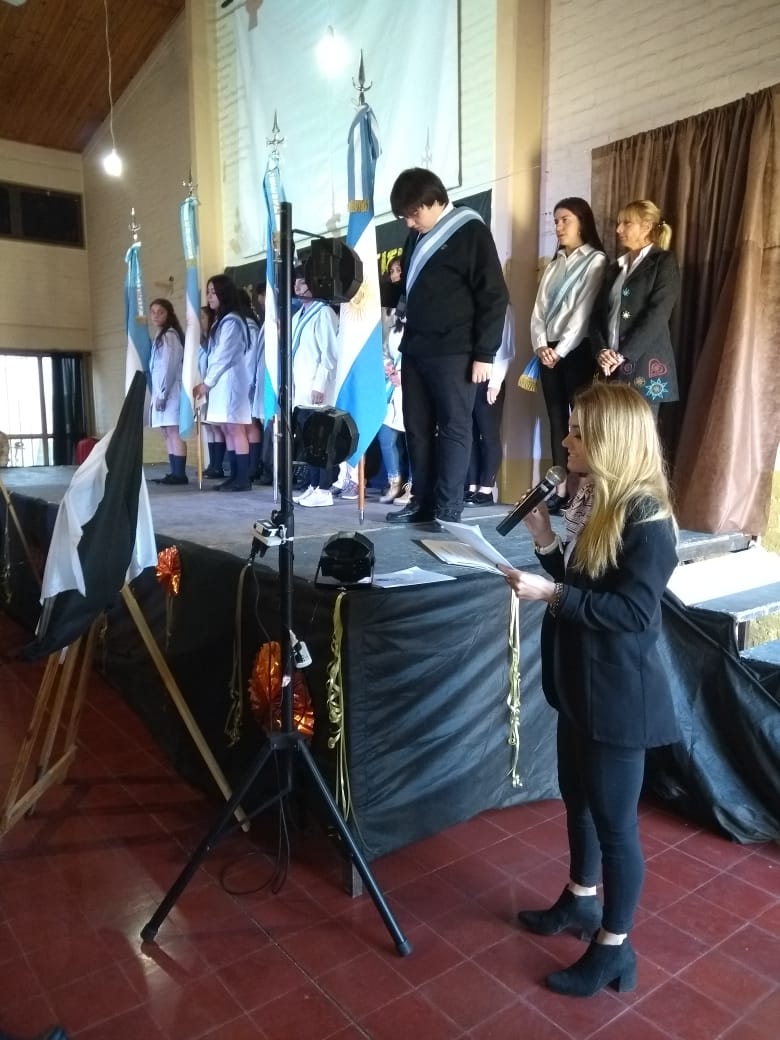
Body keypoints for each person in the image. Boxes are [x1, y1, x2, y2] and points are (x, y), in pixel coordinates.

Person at [498, 381, 679, 998]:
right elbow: (584, 585)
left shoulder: (648, 520)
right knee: (577, 801)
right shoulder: (593, 498)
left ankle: (614, 948)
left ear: (611, 440)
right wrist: (544, 540)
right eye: (571, 428)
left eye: (578, 431)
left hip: (619, 697)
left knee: (616, 826)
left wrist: (550, 593)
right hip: (577, 683)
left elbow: (630, 612)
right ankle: (580, 899)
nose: (566, 441)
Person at [384, 167, 508, 526]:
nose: (409, 223)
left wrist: (485, 354)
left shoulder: (471, 230)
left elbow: (494, 295)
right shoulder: (416, 236)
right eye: (405, 217)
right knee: (417, 428)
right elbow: (411, 289)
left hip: (456, 350)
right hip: (416, 348)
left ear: (434, 200)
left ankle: (448, 507)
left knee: (454, 428)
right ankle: (421, 501)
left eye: (413, 213)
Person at [530, 197, 607, 513]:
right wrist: (540, 345)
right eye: (556, 221)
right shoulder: (554, 263)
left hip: (576, 350)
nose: (559, 227)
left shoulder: (596, 261)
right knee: (555, 418)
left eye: (565, 220)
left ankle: (583, 490)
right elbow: (539, 309)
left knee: (581, 421)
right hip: (547, 350)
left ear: (582, 222)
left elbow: (583, 312)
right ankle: (559, 488)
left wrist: (560, 350)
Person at [590, 199, 680, 415]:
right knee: (611, 431)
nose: (618, 230)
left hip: (645, 367)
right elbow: (597, 316)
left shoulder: (663, 262)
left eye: (627, 223)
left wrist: (623, 355)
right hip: (609, 369)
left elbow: (658, 314)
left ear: (647, 227)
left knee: (642, 433)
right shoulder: (615, 268)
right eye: (619, 223)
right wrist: (601, 350)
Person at [193, 274, 252, 492]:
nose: (209, 297)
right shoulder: (221, 320)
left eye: (213, 292)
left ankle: (243, 478)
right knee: (228, 428)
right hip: (221, 382)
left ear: (224, 293)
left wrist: (207, 383)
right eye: (208, 292)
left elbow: (223, 355)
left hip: (230, 382)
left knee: (235, 428)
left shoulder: (232, 322)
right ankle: (234, 475)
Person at [289, 270, 339, 508]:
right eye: (296, 283)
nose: (297, 288)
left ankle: (325, 488)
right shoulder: (297, 315)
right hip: (300, 388)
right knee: (308, 440)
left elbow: (330, 353)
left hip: (317, 388)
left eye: (303, 283)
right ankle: (313, 484)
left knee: (322, 440)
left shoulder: (324, 313)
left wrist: (320, 384)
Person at [465, 303, 515, 505]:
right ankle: (472, 485)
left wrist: (495, 383)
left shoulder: (502, 307)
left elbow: (506, 349)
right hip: (469, 377)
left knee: (489, 435)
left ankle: (486, 488)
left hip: (490, 377)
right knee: (470, 434)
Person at [148, 298, 187, 485]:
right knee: (166, 432)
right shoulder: (160, 335)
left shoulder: (170, 335)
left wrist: (163, 393)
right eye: (153, 312)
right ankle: (174, 472)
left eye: (160, 312)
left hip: (170, 391)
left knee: (173, 431)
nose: (156, 316)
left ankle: (180, 474)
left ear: (168, 314)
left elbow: (168, 367)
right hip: (162, 391)